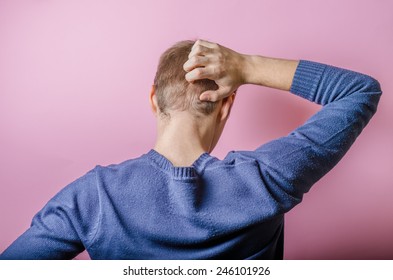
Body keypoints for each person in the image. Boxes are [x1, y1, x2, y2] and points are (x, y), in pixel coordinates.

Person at [0, 39, 382, 260]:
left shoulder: (93, 197)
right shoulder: (267, 178)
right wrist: (246, 66)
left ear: (154, 99)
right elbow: (360, 90)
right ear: (227, 105)